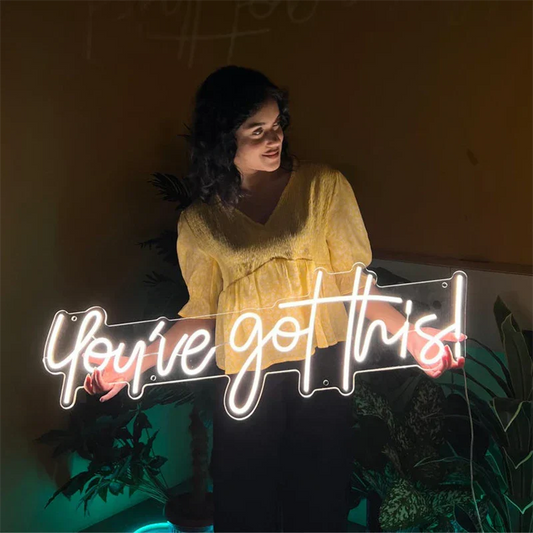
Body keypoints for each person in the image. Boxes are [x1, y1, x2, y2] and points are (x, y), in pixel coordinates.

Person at [84, 66, 465, 532]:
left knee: (319, 498)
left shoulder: (322, 187)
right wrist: (135, 364)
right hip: (247, 374)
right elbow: (205, 313)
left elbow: (352, 281)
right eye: (257, 130)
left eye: (278, 124)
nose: (274, 139)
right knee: (244, 500)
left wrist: (411, 337)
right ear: (223, 138)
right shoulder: (201, 221)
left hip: (322, 364)